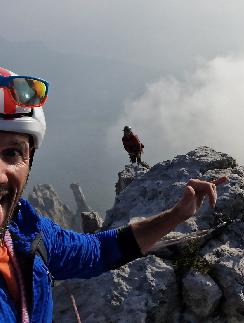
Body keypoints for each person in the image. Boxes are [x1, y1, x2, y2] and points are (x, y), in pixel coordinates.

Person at [0, 66, 227, 322]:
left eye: (12, 153)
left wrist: (177, 214)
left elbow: (98, 250)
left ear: (30, 162)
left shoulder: (27, 231)